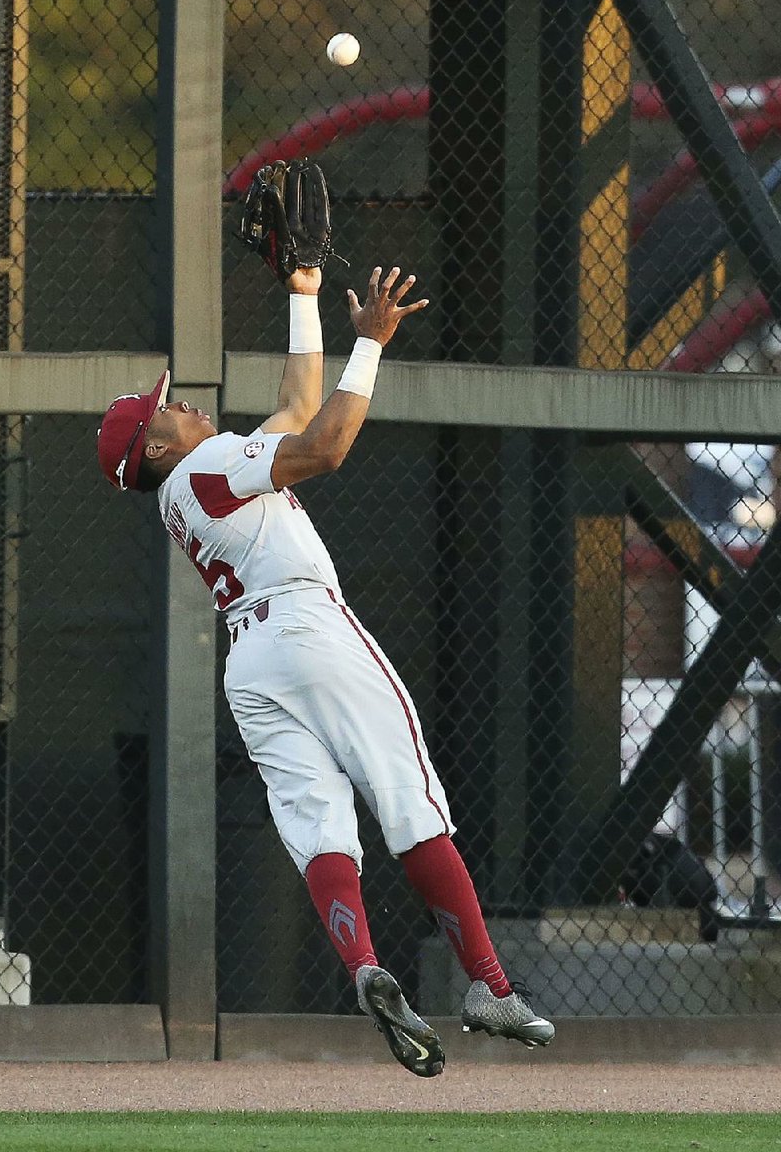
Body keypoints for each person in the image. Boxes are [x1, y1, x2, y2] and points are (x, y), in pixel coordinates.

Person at [97, 262, 555, 1077]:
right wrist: (371, 346)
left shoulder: (187, 489)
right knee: (409, 801)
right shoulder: (207, 467)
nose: (184, 401)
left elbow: (298, 408)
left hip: (251, 661)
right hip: (309, 626)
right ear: (157, 445)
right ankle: (487, 984)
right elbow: (327, 442)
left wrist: (303, 292)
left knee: (318, 826)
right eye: (168, 406)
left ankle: (364, 968)